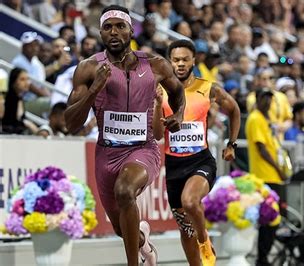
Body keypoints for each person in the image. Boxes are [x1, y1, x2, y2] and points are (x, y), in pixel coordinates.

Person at [64, 5, 185, 266]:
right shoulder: (87, 68)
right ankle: (144, 244)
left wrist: (179, 114)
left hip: (143, 148)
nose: (114, 32)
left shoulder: (155, 65)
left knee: (125, 189)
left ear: (131, 30)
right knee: (122, 229)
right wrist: (94, 89)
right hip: (106, 154)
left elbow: (177, 92)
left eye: (120, 26)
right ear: (100, 33)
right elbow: (70, 123)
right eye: (108, 27)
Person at [159, 39, 241, 266]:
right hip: (174, 165)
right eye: (176, 60)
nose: (181, 64)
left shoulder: (208, 88)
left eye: (185, 59)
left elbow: (234, 109)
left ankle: (204, 240)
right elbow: (155, 130)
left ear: (194, 60)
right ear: (169, 62)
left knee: (190, 201)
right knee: (185, 230)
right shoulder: (160, 90)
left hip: (200, 161)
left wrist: (231, 144)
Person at [245, 88, 288, 266]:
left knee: (274, 218)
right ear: (257, 99)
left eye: (270, 100)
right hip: (265, 176)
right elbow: (261, 149)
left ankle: (264, 256)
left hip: (273, 176)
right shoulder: (255, 118)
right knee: (269, 219)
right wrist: (278, 169)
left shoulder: (266, 119)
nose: (268, 103)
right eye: (265, 99)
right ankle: (262, 258)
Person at [2, 68, 38, 134]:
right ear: (13, 82)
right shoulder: (8, 99)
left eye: (27, 79)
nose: (27, 83)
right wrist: (26, 123)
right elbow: (9, 122)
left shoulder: (19, 98)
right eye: (22, 79)